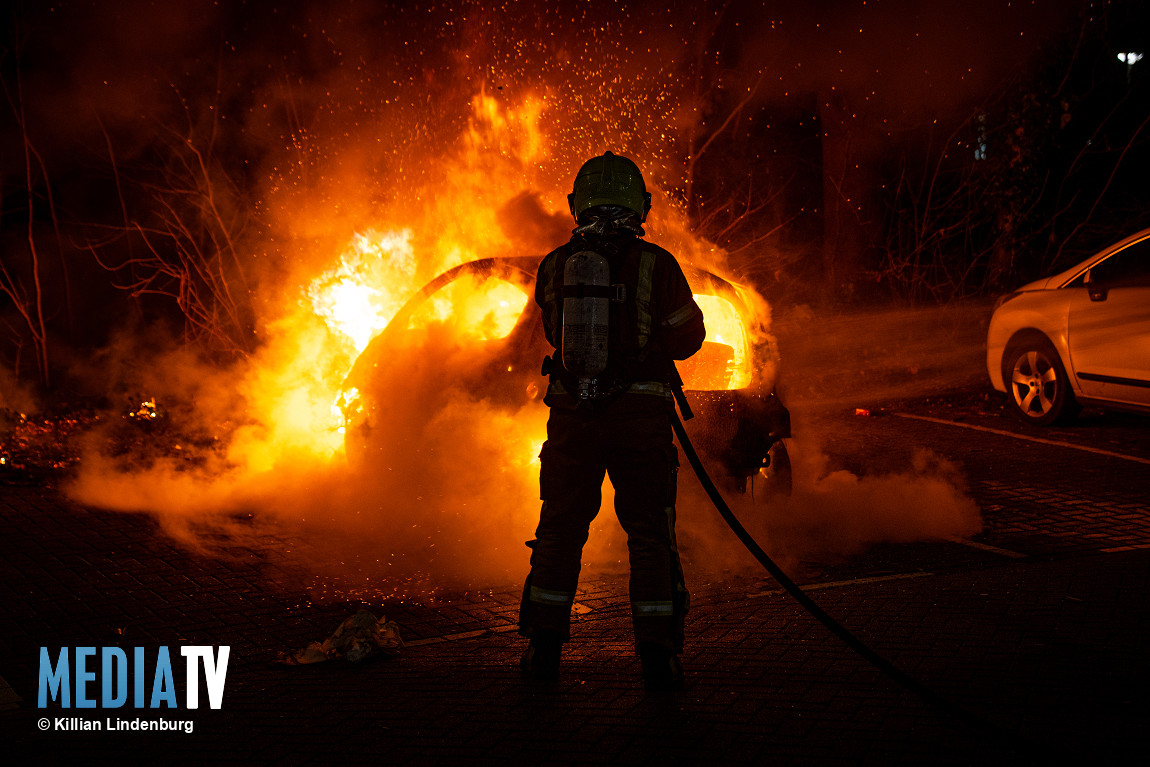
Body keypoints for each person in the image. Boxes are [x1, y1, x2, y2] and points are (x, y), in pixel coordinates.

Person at [518, 151, 706, 690]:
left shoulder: (555, 265)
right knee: (649, 536)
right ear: (638, 204)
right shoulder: (656, 264)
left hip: (573, 419)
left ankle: (543, 652)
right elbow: (687, 339)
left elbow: (556, 336)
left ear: (577, 204)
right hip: (640, 421)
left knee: (558, 531)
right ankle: (658, 656)